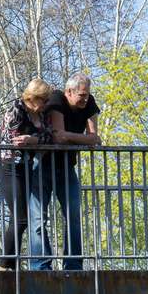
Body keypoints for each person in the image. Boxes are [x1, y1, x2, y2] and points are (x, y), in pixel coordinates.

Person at [0, 77, 56, 271]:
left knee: (18, 218)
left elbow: (50, 136)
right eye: (43, 100)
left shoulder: (41, 114)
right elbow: (14, 141)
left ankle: (10, 265)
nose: (45, 104)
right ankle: (6, 265)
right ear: (33, 97)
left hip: (25, 166)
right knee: (21, 218)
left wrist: (33, 140)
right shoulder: (16, 110)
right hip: (8, 166)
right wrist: (36, 140)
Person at [45, 72, 101, 270]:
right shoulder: (57, 99)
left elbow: (95, 139)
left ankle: (73, 264)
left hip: (67, 166)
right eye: (81, 95)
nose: (85, 99)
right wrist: (81, 138)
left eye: (87, 94)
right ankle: (41, 266)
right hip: (43, 165)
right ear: (69, 92)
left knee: (74, 214)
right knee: (38, 218)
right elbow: (59, 138)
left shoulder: (89, 102)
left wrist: (70, 136)